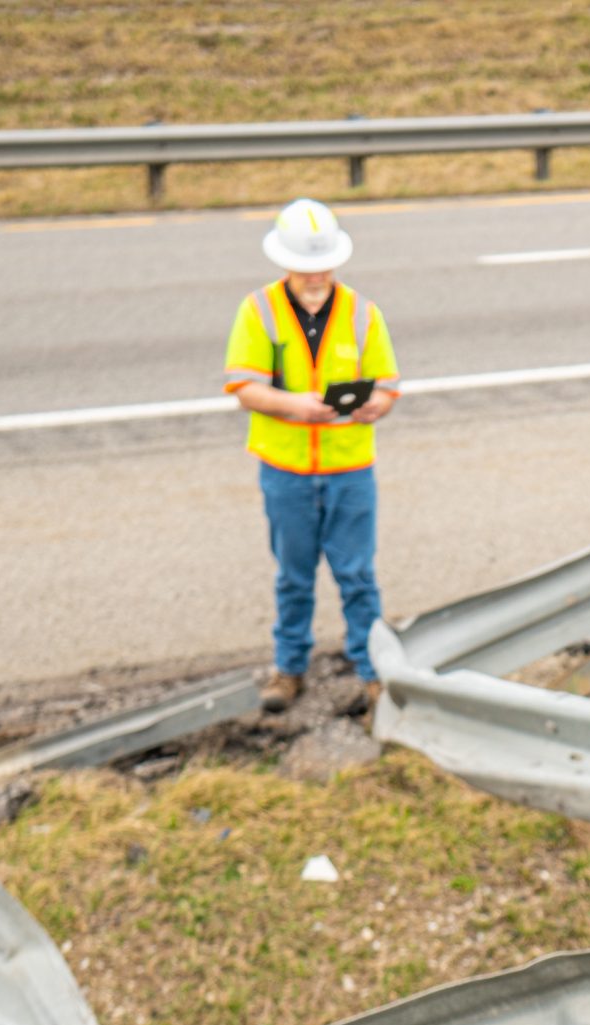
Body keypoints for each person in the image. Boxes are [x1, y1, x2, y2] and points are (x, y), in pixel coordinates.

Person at [222, 198, 401, 716]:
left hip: (349, 470)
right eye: (305, 267)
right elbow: (243, 386)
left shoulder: (363, 313)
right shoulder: (259, 311)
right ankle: (289, 669)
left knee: (358, 578)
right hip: (287, 471)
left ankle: (374, 674)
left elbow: (389, 387)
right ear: (285, 264)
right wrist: (296, 406)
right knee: (293, 578)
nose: (315, 275)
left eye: (322, 265)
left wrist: (374, 407)